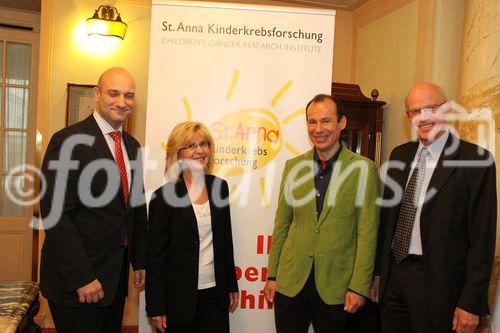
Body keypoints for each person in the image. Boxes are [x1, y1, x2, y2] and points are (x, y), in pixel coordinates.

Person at [374, 82, 497, 333]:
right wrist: (378, 275)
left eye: (431, 108)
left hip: (441, 287)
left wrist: (471, 303)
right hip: (394, 278)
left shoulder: (477, 161)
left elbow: (482, 238)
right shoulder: (399, 155)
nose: (423, 117)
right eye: (415, 111)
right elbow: (387, 222)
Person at [39, 67, 148, 333]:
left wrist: (140, 259)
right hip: (77, 284)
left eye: (129, 95)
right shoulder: (67, 141)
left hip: (114, 279)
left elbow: (134, 207)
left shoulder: (132, 146)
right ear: (96, 94)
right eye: (114, 93)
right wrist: (82, 277)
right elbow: (55, 214)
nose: (122, 102)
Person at [264, 94, 380, 333]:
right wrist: (273, 275)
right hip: (291, 282)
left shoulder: (364, 170)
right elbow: (282, 225)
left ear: (342, 123)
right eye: (312, 122)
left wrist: (359, 287)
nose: (318, 129)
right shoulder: (293, 167)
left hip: (337, 287)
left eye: (326, 121)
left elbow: (367, 234)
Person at [145, 121, 239, 333]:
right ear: (178, 154)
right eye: (191, 145)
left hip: (215, 296)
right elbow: (156, 258)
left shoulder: (219, 187)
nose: (200, 150)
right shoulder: (163, 198)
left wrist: (231, 285)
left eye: (204, 144)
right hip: (177, 301)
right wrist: (156, 306)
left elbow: (225, 241)